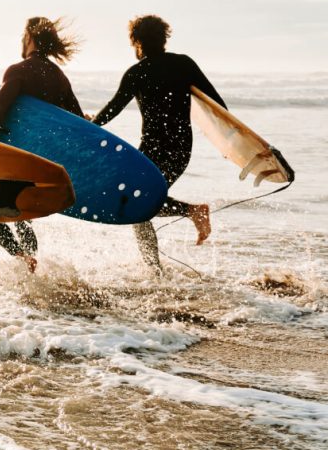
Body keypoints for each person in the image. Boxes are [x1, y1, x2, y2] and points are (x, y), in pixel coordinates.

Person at [91, 14, 227, 272]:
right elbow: (218, 105)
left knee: (137, 204)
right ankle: (155, 266)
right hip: (181, 147)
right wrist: (229, 146)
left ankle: (184, 223)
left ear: (136, 41)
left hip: (153, 149)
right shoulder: (183, 64)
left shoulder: (137, 73)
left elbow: (112, 109)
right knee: (137, 204)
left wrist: (91, 125)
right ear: (164, 39)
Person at [0, 17, 85, 273]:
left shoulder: (19, 70)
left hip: (16, 160)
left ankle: (24, 259)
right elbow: (78, 122)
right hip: (43, 163)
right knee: (24, 217)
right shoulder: (59, 77)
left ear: (29, 38)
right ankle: (32, 267)